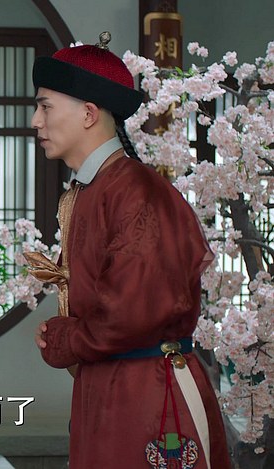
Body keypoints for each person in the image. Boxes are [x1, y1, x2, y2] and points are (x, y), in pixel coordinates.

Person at [28, 33, 230, 468]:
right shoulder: (96, 187)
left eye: (45, 107)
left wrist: (66, 338)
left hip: (149, 394)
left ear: (88, 113)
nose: (36, 121)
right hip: (110, 385)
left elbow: (132, 312)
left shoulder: (136, 191)